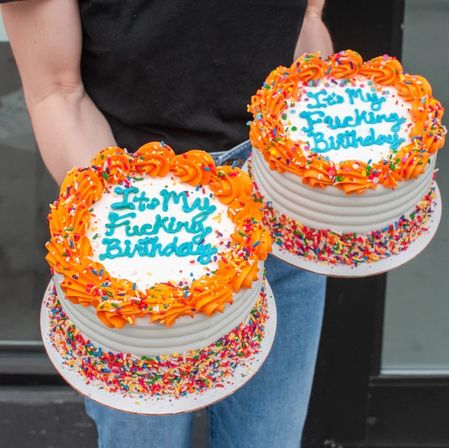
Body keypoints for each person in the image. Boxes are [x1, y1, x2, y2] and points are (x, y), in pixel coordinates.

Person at [2, 1, 332, 446]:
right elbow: (57, 91)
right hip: (137, 223)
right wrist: (151, 227)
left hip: (280, 198)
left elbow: (306, 23)